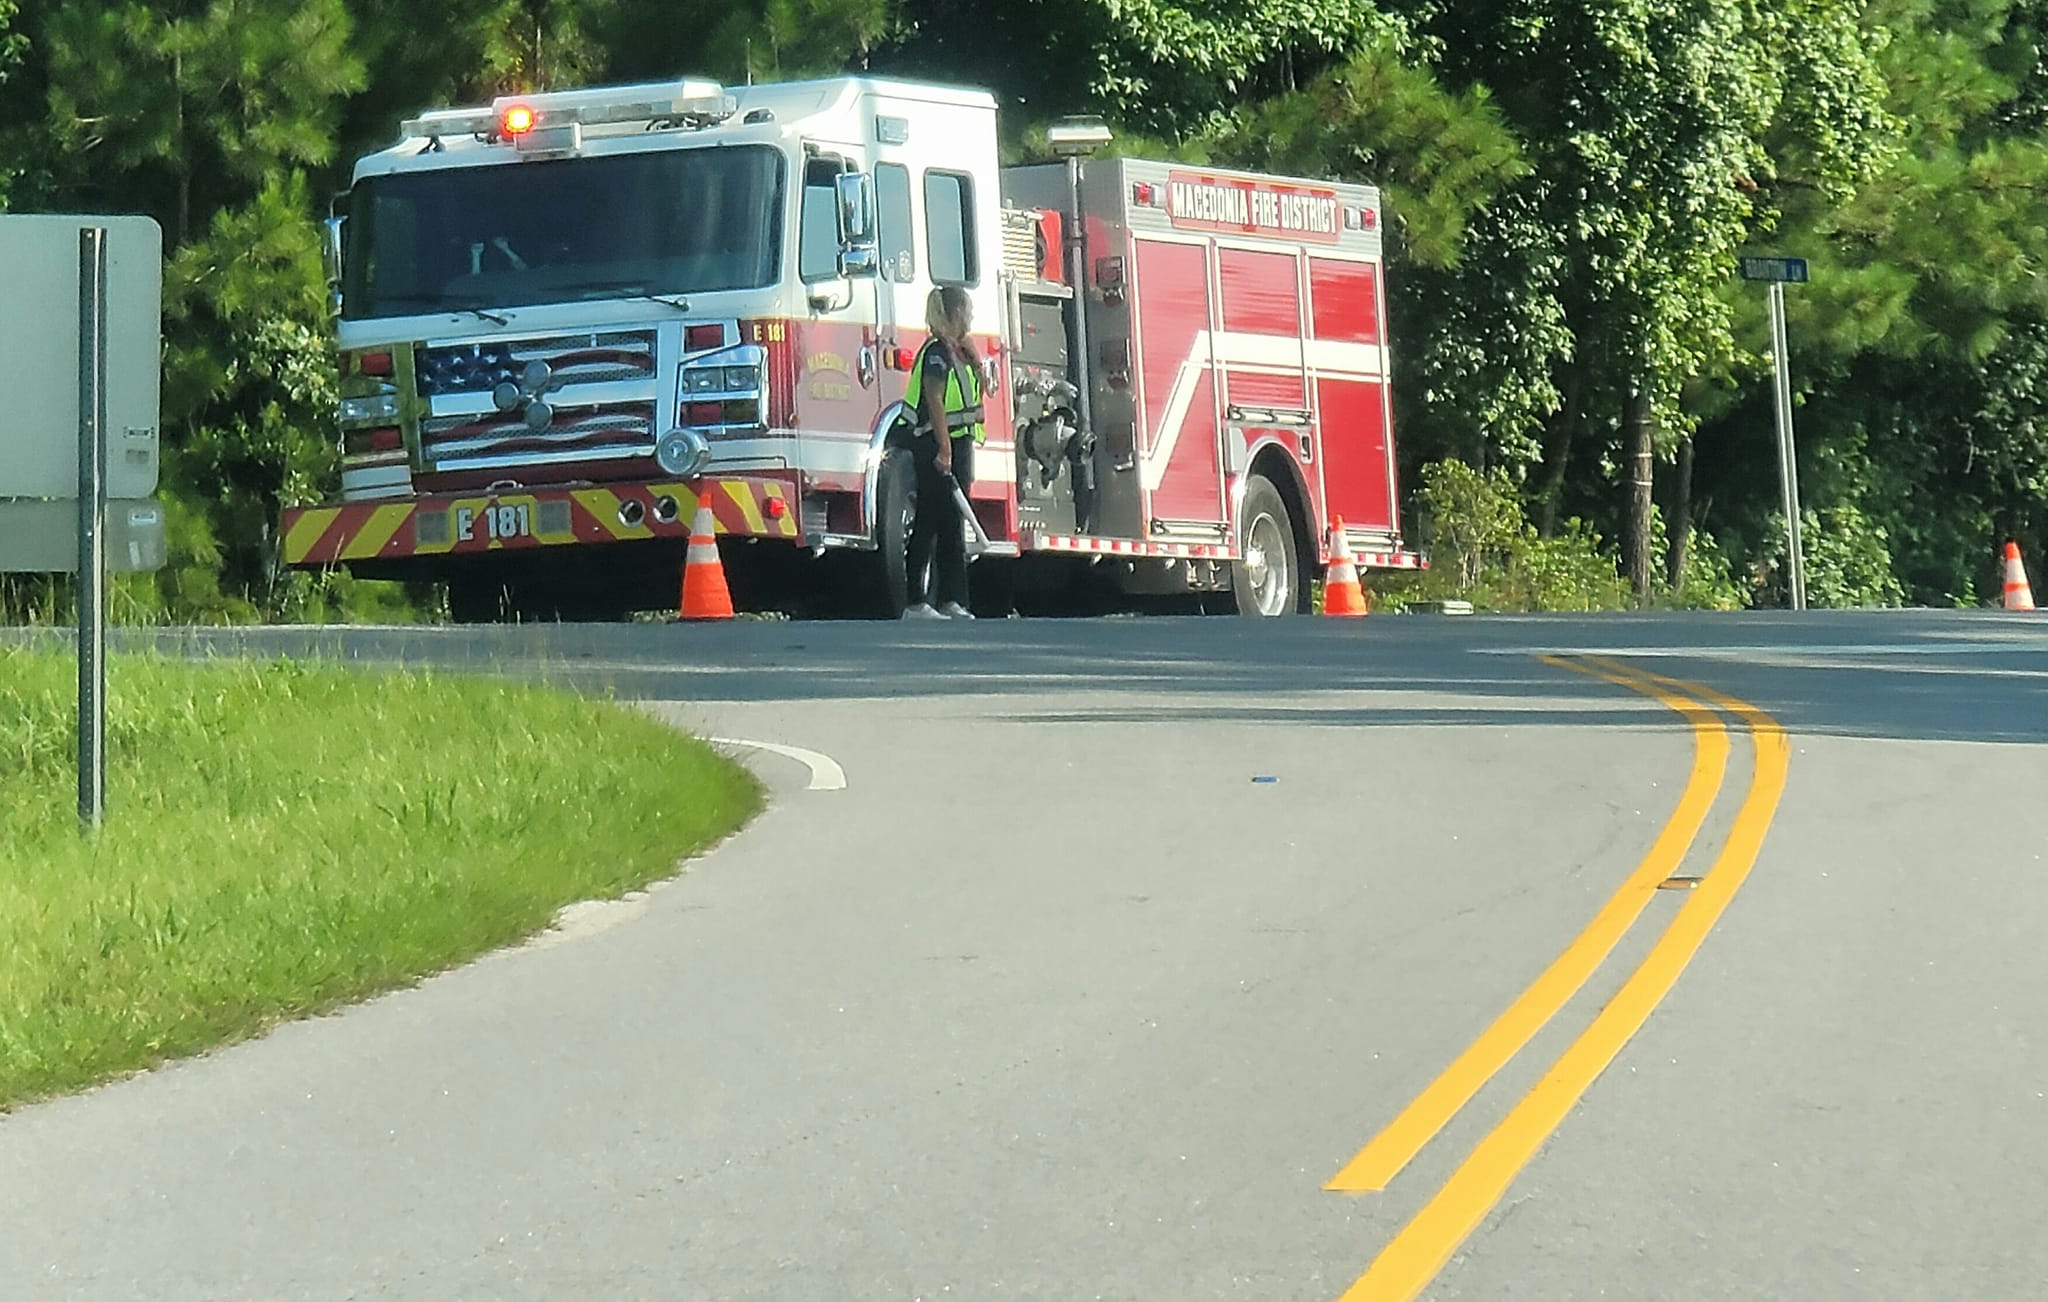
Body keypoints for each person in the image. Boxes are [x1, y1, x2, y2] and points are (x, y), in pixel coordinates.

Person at [900, 285, 986, 620]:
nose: (971, 317)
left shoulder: (958, 352)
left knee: (952, 524)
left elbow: (978, 394)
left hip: (958, 444)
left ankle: (953, 600)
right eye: (966, 310)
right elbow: (934, 400)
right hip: (935, 445)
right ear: (951, 315)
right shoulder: (936, 352)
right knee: (928, 521)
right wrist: (945, 450)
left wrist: (976, 358)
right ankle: (915, 603)